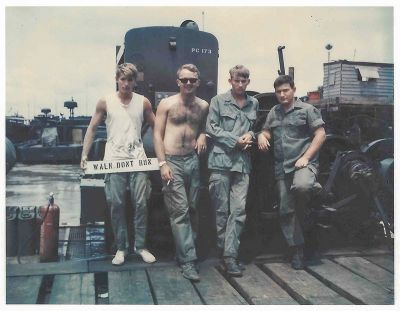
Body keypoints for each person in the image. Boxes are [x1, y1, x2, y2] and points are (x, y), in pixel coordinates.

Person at [81, 63, 156, 266]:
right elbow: (92, 128)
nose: (126, 83)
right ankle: (121, 248)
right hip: (113, 161)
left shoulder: (144, 102)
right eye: (122, 79)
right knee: (117, 204)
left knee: (141, 203)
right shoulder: (105, 101)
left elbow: (158, 129)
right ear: (117, 79)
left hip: (138, 159)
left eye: (130, 79)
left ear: (135, 82)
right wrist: (84, 154)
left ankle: (140, 246)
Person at [258, 75, 326, 270]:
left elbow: (320, 135)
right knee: (286, 211)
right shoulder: (274, 112)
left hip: (304, 163)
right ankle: (297, 249)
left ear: (293, 89)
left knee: (303, 185)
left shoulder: (307, 110)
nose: (282, 95)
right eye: (278, 92)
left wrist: (306, 157)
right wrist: (262, 136)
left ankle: (313, 185)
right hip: (282, 167)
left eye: (285, 90)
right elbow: (267, 131)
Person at [153, 64, 209, 281]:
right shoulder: (167, 104)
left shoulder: (203, 106)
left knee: (193, 208)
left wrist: (203, 135)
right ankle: (188, 261)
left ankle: (185, 252)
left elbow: (203, 127)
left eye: (192, 80)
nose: (188, 83)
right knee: (180, 211)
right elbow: (157, 135)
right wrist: (162, 164)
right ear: (178, 82)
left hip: (192, 161)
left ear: (198, 82)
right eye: (184, 80)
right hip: (172, 161)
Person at [206, 65, 259, 277]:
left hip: (242, 164)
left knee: (238, 211)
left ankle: (230, 256)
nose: (240, 84)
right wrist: (235, 141)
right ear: (230, 80)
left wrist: (252, 135)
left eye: (244, 81)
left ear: (248, 81)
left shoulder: (254, 102)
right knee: (221, 211)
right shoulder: (218, 101)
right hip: (220, 162)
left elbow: (254, 126)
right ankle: (223, 250)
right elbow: (211, 128)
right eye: (236, 80)